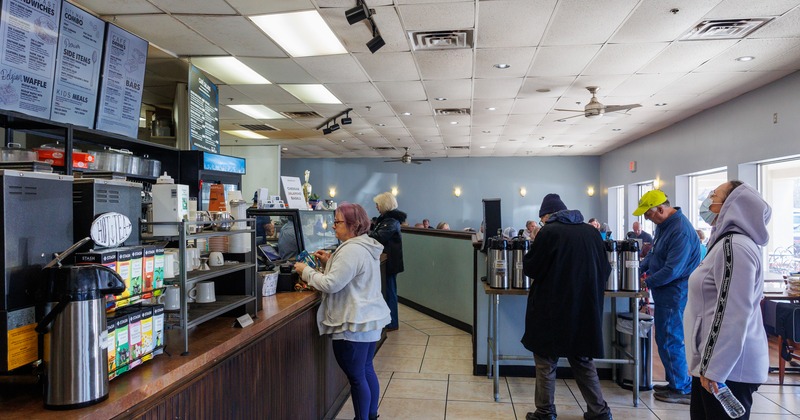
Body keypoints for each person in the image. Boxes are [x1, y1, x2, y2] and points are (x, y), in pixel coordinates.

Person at [294, 203, 391, 420]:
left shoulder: (351, 250)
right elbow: (352, 274)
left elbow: (331, 284)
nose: (333, 227)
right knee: (366, 370)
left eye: (337, 222)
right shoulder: (364, 245)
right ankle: (371, 416)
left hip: (353, 325)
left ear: (353, 225)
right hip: (368, 320)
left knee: (357, 377)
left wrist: (306, 271)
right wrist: (330, 261)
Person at [684, 181, 770, 419]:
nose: (709, 200)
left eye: (715, 195)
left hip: (727, 371)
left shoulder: (735, 247)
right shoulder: (724, 243)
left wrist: (715, 368)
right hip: (712, 364)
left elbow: (731, 312)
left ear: (732, 204)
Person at [522, 193, 612, 420]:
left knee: (546, 360)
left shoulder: (548, 232)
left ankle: (545, 412)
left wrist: (535, 241)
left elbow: (531, 268)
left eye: (542, 219)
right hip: (584, 308)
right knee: (582, 360)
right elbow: (606, 269)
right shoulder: (591, 232)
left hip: (551, 308)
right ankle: (600, 412)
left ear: (547, 215)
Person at [633, 190, 701, 404]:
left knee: (671, 339)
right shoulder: (664, 226)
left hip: (675, 293)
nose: (647, 219)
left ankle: (681, 388)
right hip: (664, 292)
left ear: (661, 209)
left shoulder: (680, 230)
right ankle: (675, 383)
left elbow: (673, 270)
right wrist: (638, 269)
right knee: (663, 338)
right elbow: (654, 254)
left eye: (648, 215)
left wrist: (646, 282)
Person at [369, 192, 406, 331]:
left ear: (384, 205)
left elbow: (378, 237)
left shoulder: (391, 221)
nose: (376, 207)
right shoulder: (386, 219)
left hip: (390, 263)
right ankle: (388, 321)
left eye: (378, 204)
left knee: (390, 292)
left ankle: (392, 323)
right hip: (389, 261)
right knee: (388, 291)